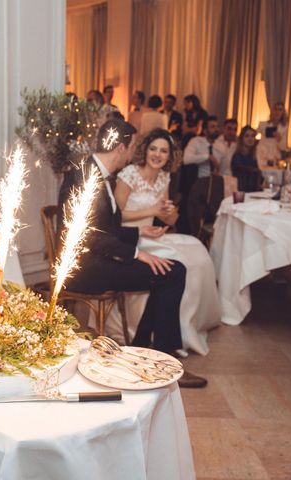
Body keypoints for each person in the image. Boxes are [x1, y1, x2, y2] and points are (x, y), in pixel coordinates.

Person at [58, 118, 207, 388]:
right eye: (133, 146)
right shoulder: (83, 177)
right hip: (84, 268)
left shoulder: (100, 174)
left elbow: (108, 230)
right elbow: (89, 236)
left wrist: (139, 234)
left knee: (170, 271)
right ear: (120, 147)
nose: (133, 153)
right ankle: (162, 356)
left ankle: (145, 349)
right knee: (172, 273)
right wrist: (137, 254)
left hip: (100, 258)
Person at [114, 128, 220, 355]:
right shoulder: (129, 174)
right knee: (180, 261)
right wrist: (151, 210)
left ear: (169, 156)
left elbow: (167, 217)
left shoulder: (164, 176)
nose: (157, 155)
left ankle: (190, 326)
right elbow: (116, 215)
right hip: (130, 237)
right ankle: (167, 337)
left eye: (163, 151)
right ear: (145, 150)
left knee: (199, 252)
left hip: (153, 234)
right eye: (153, 149)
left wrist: (169, 213)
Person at [231, 125, 261, 192]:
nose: (250, 139)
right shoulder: (237, 157)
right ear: (241, 139)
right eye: (247, 136)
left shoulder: (252, 156)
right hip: (241, 193)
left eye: (253, 136)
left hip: (252, 192)